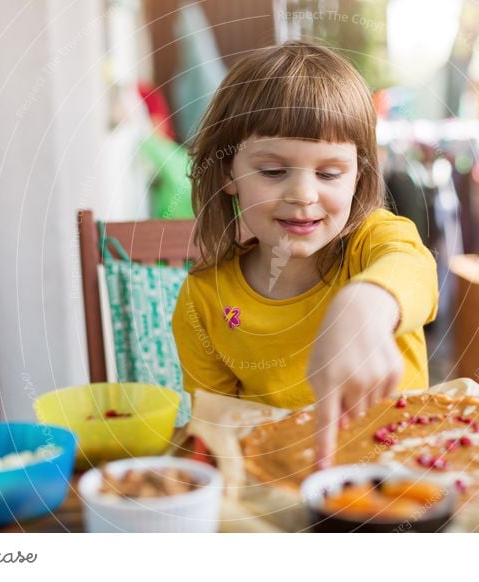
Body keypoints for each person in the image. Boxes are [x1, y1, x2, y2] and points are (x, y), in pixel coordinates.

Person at [172, 42, 438, 468]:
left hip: (403, 481)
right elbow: (218, 438)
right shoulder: (204, 301)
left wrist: (363, 304)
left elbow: (413, 267)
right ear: (227, 174)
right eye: (273, 171)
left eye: (329, 173)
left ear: (358, 176)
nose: (303, 194)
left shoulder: (371, 244)